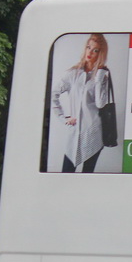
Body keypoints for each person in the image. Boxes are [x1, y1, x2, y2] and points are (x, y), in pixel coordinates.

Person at [51, 34, 113, 173]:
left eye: (95, 50)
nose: (90, 53)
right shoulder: (73, 74)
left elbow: (100, 103)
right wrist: (63, 118)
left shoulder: (102, 75)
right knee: (66, 174)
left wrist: (99, 78)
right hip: (75, 132)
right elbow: (53, 94)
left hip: (94, 132)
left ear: (101, 53)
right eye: (88, 47)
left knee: (87, 176)